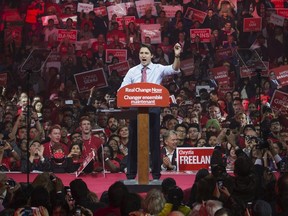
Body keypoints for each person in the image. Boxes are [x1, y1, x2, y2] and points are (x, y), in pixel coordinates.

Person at [119, 43, 182, 180]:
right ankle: (130, 174)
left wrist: (177, 56)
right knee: (133, 143)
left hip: (153, 109)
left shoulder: (158, 68)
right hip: (135, 109)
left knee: (154, 143)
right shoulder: (133, 71)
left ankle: (155, 175)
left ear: (151, 55)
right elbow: (121, 90)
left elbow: (174, 68)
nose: (143, 55)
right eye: (141, 53)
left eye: (146, 53)